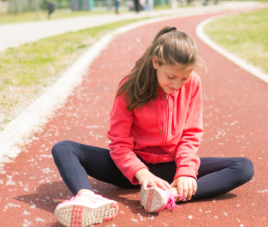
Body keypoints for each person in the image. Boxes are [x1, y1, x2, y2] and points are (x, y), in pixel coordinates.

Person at [51, 26, 254, 226]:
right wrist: (142, 173)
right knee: (64, 148)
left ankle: (169, 195)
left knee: (243, 167)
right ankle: (88, 198)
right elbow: (119, 144)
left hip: (169, 169)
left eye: (183, 78)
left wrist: (185, 172)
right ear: (156, 62)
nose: (176, 85)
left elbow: (190, 134)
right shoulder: (129, 87)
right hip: (130, 171)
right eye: (171, 77)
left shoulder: (193, 83)